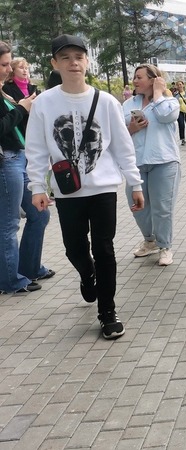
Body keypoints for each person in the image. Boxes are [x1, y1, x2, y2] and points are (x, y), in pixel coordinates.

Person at [27, 34, 145, 340]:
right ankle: (86, 271)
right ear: (55, 64)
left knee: (105, 249)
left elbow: (121, 145)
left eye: (78, 57)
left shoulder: (105, 101)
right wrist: (37, 186)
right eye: (65, 58)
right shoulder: (44, 103)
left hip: (103, 188)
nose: (73, 63)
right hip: (68, 192)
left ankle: (107, 312)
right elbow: (36, 148)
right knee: (74, 248)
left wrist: (134, 182)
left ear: (86, 61)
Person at [0, 43, 53, 295]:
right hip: (6, 162)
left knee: (39, 215)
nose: (8, 69)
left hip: (19, 158)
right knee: (9, 224)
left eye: (9, 63)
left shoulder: (3, 92)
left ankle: (29, 267)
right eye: (4, 64)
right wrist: (22, 108)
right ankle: (10, 279)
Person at [123, 64, 181, 267]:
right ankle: (150, 240)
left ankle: (165, 246)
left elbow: (168, 116)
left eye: (139, 77)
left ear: (153, 79)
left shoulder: (169, 101)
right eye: (134, 77)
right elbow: (120, 133)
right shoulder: (129, 103)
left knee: (162, 208)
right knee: (137, 206)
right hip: (137, 163)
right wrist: (130, 128)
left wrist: (158, 93)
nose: (135, 81)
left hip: (164, 162)